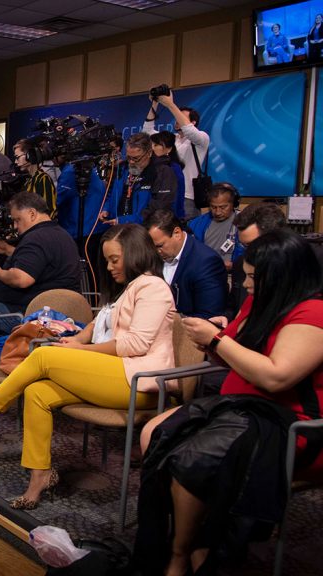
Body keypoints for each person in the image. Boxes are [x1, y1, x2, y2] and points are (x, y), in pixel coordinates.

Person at [0, 223, 175, 509]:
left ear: (136, 254)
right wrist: (77, 339)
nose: (110, 267)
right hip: (115, 373)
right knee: (38, 392)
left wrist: (81, 348)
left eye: (115, 259)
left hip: (140, 382)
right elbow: (98, 324)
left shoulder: (153, 287)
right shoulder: (131, 288)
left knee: (43, 356)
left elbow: (135, 345)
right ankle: (40, 477)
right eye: (108, 260)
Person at [134, 230, 323, 576]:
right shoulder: (260, 300)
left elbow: (276, 377)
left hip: (289, 425)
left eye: (253, 277)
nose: (245, 285)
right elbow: (232, 354)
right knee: (155, 433)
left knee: (191, 459)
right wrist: (210, 341)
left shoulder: (313, 313)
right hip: (238, 410)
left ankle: (183, 552)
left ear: (281, 278)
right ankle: (197, 539)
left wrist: (218, 341)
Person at [0, 192, 82, 340]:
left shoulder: (36, 238)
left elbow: (21, 279)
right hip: (59, 312)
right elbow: (40, 262)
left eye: (17, 220)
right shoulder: (59, 234)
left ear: (32, 214)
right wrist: (8, 250)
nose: (15, 226)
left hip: (36, 316)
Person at [144, 209, 227, 320]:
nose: (155, 252)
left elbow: (208, 316)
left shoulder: (206, 262)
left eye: (159, 246)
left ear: (177, 233)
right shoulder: (152, 256)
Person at [143, 91, 210, 219]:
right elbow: (146, 133)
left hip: (187, 198)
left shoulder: (202, 138)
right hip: (165, 194)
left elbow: (189, 131)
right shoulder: (172, 139)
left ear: (194, 122)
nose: (177, 120)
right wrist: (155, 103)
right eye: (176, 116)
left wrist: (170, 104)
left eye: (181, 117)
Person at [102, 132, 177, 226]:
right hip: (117, 227)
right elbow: (110, 193)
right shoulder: (122, 168)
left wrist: (127, 220)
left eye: (136, 158)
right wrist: (106, 209)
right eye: (129, 157)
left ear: (149, 153)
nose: (131, 162)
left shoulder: (162, 173)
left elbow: (160, 208)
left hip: (144, 231)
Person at [56, 161, 110, 266]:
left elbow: (57, 201)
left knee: (88, 273)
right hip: (97, 227)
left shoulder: (71, 170)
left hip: (83, 231)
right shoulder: (88, 165)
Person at [187, 182, 242, 270]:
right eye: (213, 207)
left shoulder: (244, 223)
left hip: (234, 273)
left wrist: (235, 265)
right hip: (205, 271)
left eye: (223, 207)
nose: (218, 212)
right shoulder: (196, 224)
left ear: (234, 204)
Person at [12, 139, 57, 219]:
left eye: (17, 157)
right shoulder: (29, 180)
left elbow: (49, 211)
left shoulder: (42, 179)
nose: (16, 161)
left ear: (30, 155)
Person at [149, 131, 187, 219]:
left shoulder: (173, 168)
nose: (152, 148)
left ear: (169, 149)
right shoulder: (152, 167)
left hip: (167, 218)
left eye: (156, 145)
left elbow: (176, 198)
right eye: (151, 145)